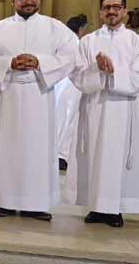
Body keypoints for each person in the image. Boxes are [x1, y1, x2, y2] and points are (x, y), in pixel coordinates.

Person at [0, 0, 77, 221]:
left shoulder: (56, 28)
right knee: (7, 149)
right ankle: (6, 201)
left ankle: (37, 204)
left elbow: (71, 56)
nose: (29, 1)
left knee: (39, 150)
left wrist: (40, 62)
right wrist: (8, 63)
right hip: (8, 94)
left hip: (39, 96)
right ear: (13, 1)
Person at [64, 0, 139, 227]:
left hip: (122, 109)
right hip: (94, 106)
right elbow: (76, 74)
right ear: (100, 12)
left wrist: (113, 73)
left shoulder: (136, 42)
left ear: (124, 11)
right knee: (93, 154)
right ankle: (95, 207)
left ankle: (114, 210)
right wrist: (96, 69)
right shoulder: (88, 41)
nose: (111, 11)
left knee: (115, 158)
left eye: (116, 7)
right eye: (106, 8)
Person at [54, 14, 87, 170]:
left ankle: (58, 153)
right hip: (73, 86)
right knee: (70, 120)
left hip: (60, 84)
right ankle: (63, 154)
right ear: (81, 29)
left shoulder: (62, 43)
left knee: (61, 119)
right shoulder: (79, 44)